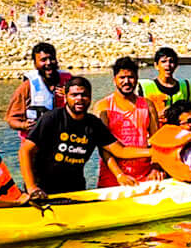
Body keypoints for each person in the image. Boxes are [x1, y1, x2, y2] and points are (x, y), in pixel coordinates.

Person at [20, 75, 150, 201]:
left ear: (90, 97)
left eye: (84, 95)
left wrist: (152, 152)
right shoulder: (51, 119)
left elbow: (120, 151)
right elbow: (25, 151)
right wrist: (32, 188)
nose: (80, 99)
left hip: (75, 190)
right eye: (74, 95)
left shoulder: (93, 124)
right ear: (65, 97)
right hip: (42, 190)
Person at [97, 55, 159, 182]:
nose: (127, 81)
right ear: (114, 80)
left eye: (130, 77)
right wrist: (119, 174)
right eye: (122, 78)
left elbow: (157, 141)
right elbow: (103, 146)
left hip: (145, 173)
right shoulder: (103, 106)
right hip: (113, 175)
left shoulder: (147, 104)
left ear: (136, 78)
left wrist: (156, 167)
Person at [4, 41, 66, 147]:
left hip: (62, 143)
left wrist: (69, 95)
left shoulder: (68, 82)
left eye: (51, 59)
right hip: (35, 145)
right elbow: (11, 119)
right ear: (35, 64)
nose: (48, 63)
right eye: (43, 60)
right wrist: (24, 125)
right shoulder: (27, 87)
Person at [143, 47, 191, 117]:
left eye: (171, 61)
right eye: (163, 62)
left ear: (176, 65)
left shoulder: (186, 87)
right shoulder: (145, 88)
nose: (168, 65)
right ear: (156, 65)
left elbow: (190, 112)